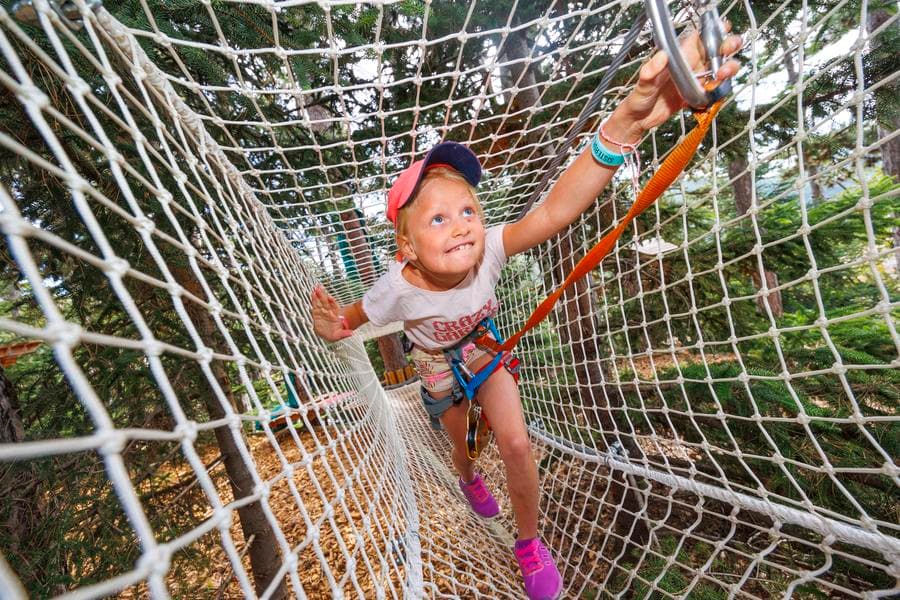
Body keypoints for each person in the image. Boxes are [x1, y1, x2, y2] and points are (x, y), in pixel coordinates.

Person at [311, 28, 742, 600]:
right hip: (436, 360)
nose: (462, 222)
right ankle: (467, 477)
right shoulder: (397, 288)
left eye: (467, 208)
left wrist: (624, 126)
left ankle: (529, 543)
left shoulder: (489, 247)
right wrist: (333, 325)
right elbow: (353, 319)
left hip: (484, 347)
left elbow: (555, 210)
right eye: (437, 218)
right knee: (460, 441)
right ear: (407, 247)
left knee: (514, 443)